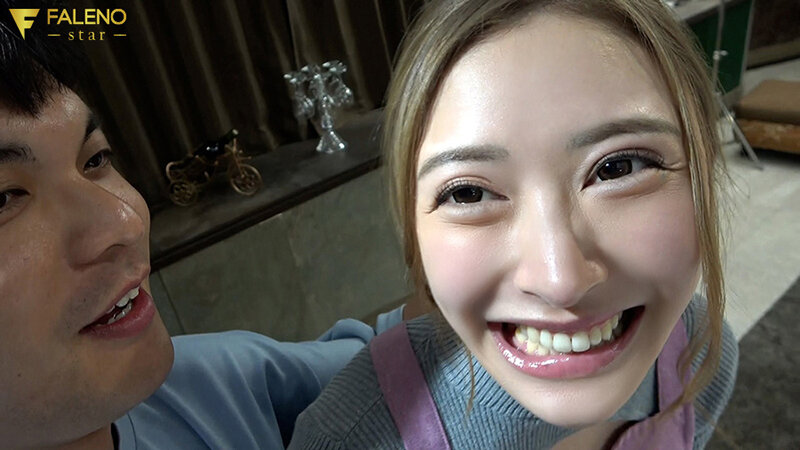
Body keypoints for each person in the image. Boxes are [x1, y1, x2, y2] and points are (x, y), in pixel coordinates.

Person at [290, 0, 739, 448]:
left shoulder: (699, 355)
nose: (560, 282)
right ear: (414, 234)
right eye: (469, 193)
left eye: (619, 168)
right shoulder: (347, 438)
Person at [0, 8, 403, 449]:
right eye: (5, 198)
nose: (126, 223)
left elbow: (399, 356)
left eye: (95, 159)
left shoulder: (215, 384)